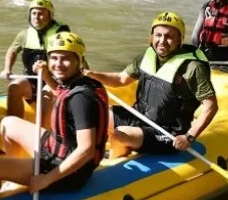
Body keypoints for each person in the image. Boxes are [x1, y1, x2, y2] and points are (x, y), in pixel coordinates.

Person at [0, 32, 108, 196]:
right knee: (8, 123)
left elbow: (86, 150)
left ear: (79, 61)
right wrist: (46, 75)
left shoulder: (81, 99)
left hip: (69, 169)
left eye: (66, 58)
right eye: (54, 58)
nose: (58, 64)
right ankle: (17, 175)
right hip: (60, 147)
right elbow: (62, 93)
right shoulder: (82, 83)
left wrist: (46, 179)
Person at [85, 12, 218, 158]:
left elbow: (210, 106)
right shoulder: (147, 56)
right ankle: (115, 150)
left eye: (169, 36)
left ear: (180, 39)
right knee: (98, 114)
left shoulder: (193, 67)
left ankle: (116, 159)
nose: (162, 41)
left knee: (120, 133)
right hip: (140, 117)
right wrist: (92, 75)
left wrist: (189, 136)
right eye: (158, 35)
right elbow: (121, 79)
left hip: (168, 131)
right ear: (151, 37)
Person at [0, 0, 71, 122]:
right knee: (14, 87)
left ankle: (43, 133)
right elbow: (12, 51)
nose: (36, 17)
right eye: (34, 13)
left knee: (46, 95)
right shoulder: (24, 35)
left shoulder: (62, 34)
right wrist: (7, 68)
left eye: (41, 13)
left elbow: (73, 57)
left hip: (53, 81)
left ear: (50, 16)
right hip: (32, 79)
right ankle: (15, 126)